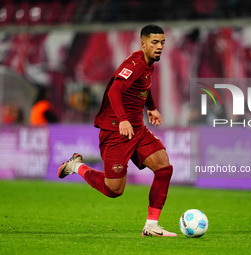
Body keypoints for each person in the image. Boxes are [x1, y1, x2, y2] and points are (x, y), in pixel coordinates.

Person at [58, 25, 177, 237]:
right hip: (116, 131)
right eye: (154, 42)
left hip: (137, 128)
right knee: (114, 190)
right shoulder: (136, 63)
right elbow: (114, 90)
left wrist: (150, 107)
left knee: (164, 168)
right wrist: (122, 120)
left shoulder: (149, 64)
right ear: (143, 43)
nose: (159, 47)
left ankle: (151, 226)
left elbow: (143, 87)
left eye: (162, 43)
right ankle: (77, 167)